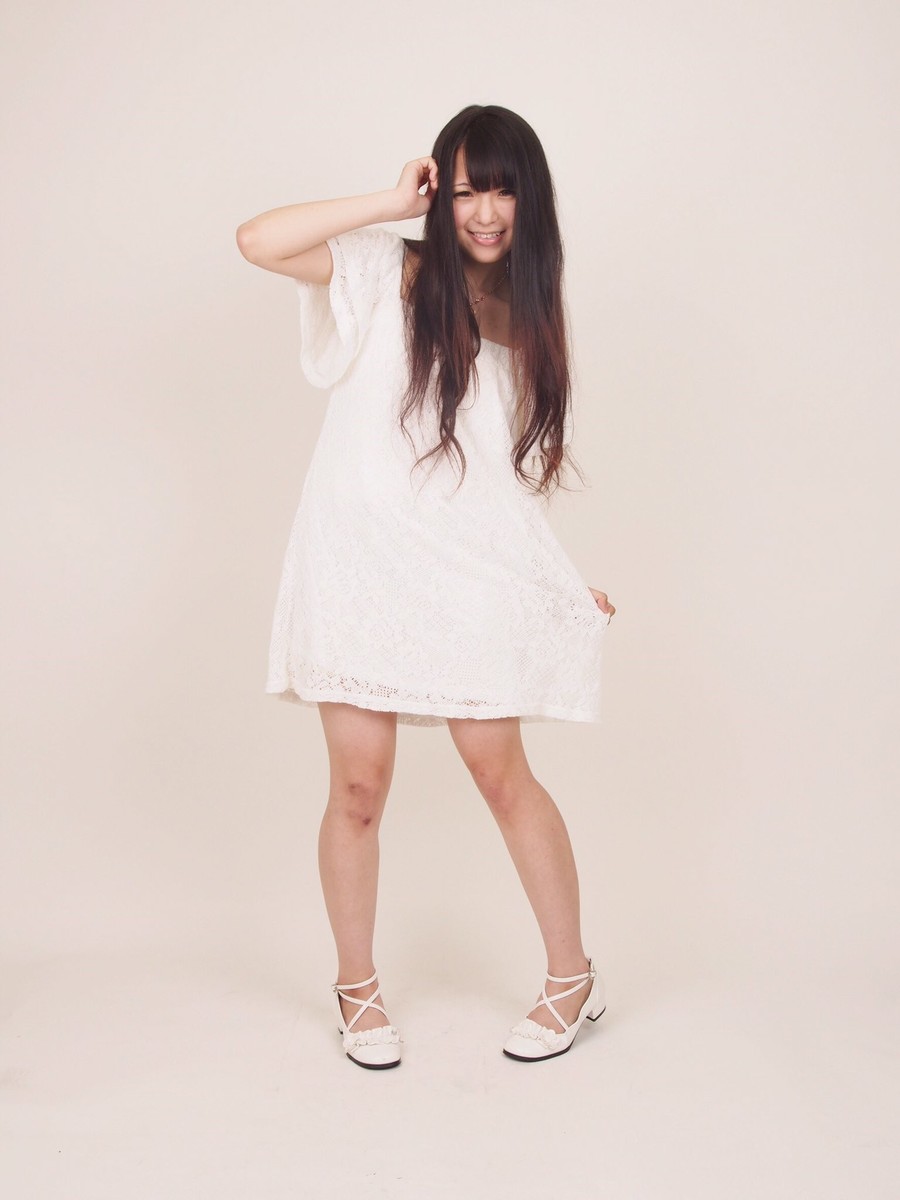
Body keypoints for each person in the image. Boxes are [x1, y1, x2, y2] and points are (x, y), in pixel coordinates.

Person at [236, 104, 616, 1070]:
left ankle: (572, 977)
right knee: (358, 789)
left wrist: (560, 583)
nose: (484, 212)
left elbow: (495, 481)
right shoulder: (380, 270)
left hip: (456, 569)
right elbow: (257, 240)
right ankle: (356, 989)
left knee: (500, 775)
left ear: (530, 202)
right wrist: (387, 201)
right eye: (466, 190)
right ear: (438, 195)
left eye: (503, 191)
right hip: (357, 567)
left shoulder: (525, 322)